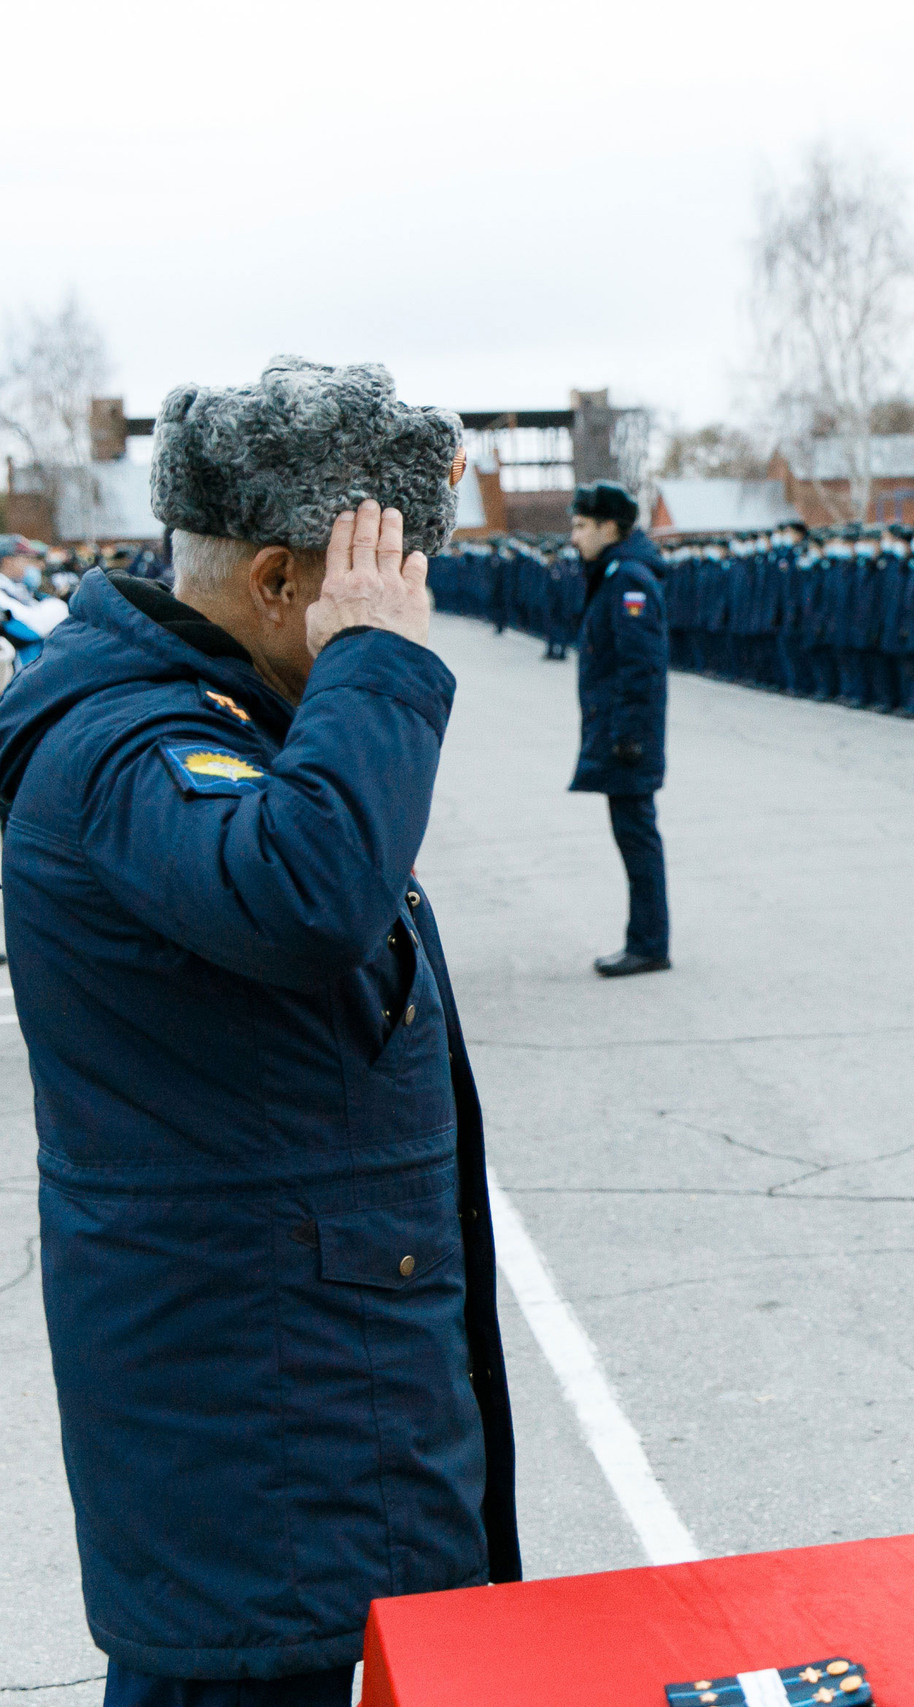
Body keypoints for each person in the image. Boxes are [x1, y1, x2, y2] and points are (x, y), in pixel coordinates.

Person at [0, 356, 518, 1704]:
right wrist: (376, 671)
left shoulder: (224, 714)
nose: (412, 618)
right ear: (283, 582)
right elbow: (308, 898)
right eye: (386, 589)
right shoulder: (129, 746)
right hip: (247, 1419)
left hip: (296, 1383)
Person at [570, 481, 673, 977]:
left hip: (628, 737)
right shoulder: (614, 572)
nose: (575, 537)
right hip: (620, 732)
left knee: (637, 837)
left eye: (582, 526)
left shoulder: (629, 579)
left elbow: (641, 666)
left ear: (610, 528)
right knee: (633, 836)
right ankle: (647, 939)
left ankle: (649, 943)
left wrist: (629, 736)